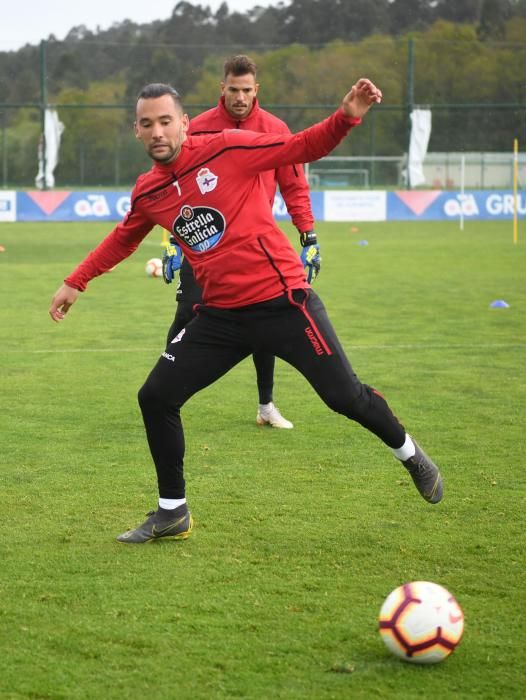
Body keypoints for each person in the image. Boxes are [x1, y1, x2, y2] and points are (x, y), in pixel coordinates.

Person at [49, 77, 444, 545]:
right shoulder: (148, 191)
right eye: (146, 123)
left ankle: (411, 454)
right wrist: (77, 281)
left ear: (185, 124)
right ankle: (172, 513)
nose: (157, 131)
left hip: (284, 304)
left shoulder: (228, 149)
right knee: (155, 396)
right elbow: (123, 238)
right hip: (221, 318)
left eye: (165, 121)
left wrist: (347, 116)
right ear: (136, 131)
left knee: (345, 398)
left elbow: (301, 146)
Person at [163, 55, 320, 430]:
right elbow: (175, 191)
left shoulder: (274, 128)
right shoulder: (196, 129)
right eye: (233, 90)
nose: (239, 97)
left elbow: (294, 185)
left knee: (262, 323)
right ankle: (165, 392)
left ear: (256, 90)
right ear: (222, 88)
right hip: (202, 244)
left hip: (252, 249)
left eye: (246, 90)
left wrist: (308, 235)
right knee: (187, 314)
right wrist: (172, 240)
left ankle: (266, 406)